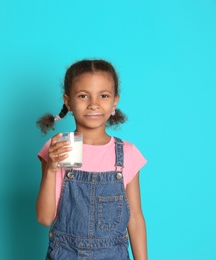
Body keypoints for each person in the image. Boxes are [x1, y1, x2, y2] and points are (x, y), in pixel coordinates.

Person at [36, 59, 147, 259]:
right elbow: (44, 218)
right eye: (83, 96)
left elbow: (135, 218)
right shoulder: (58, 149)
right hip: (65, 253)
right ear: (68, 101)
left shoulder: (127, 154)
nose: (94, 104)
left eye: (103, 96)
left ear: (115, 101)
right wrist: (51, 169)